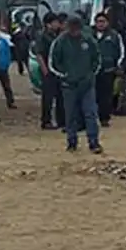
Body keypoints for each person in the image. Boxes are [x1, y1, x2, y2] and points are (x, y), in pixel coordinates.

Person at [48, 16, 102, 153]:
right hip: (69, 85)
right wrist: (65, 75)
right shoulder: (60, 41)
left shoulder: (88, 40)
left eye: (77, 28)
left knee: (90, 113)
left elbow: (97, 59)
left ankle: (94, 142)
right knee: (70, 115)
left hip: (87, 84)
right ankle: (72, 142)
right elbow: (53, 62)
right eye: (72, 28)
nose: (74, 31)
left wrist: (90, 75)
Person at [93, 12, 125, 127]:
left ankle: (104, 118)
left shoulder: (114, 35)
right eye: (98, 22)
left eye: (103, 21)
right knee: (92, 95)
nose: (100, 24)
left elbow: (121, 52)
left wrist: (117, 65)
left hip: (108, 70)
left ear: (107, 22)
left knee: (106, 96)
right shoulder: (89, 35)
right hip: (92, 71)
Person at [35, 12, 65, 130]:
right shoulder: (43, 36)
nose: (57, 24)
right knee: (48, 97)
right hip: (48, 71)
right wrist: (45, 70)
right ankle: (46, 121)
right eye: (55, 22)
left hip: (59, 70)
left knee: (61, 96)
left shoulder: (59, 35)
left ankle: (61, 120)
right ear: (48, 24)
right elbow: (39, 54)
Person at [0, 24, 15, 109]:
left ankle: (10, 102)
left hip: (2, 67)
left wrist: (7, 63)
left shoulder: (3, 41)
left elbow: (8, 53)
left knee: (7, 86)